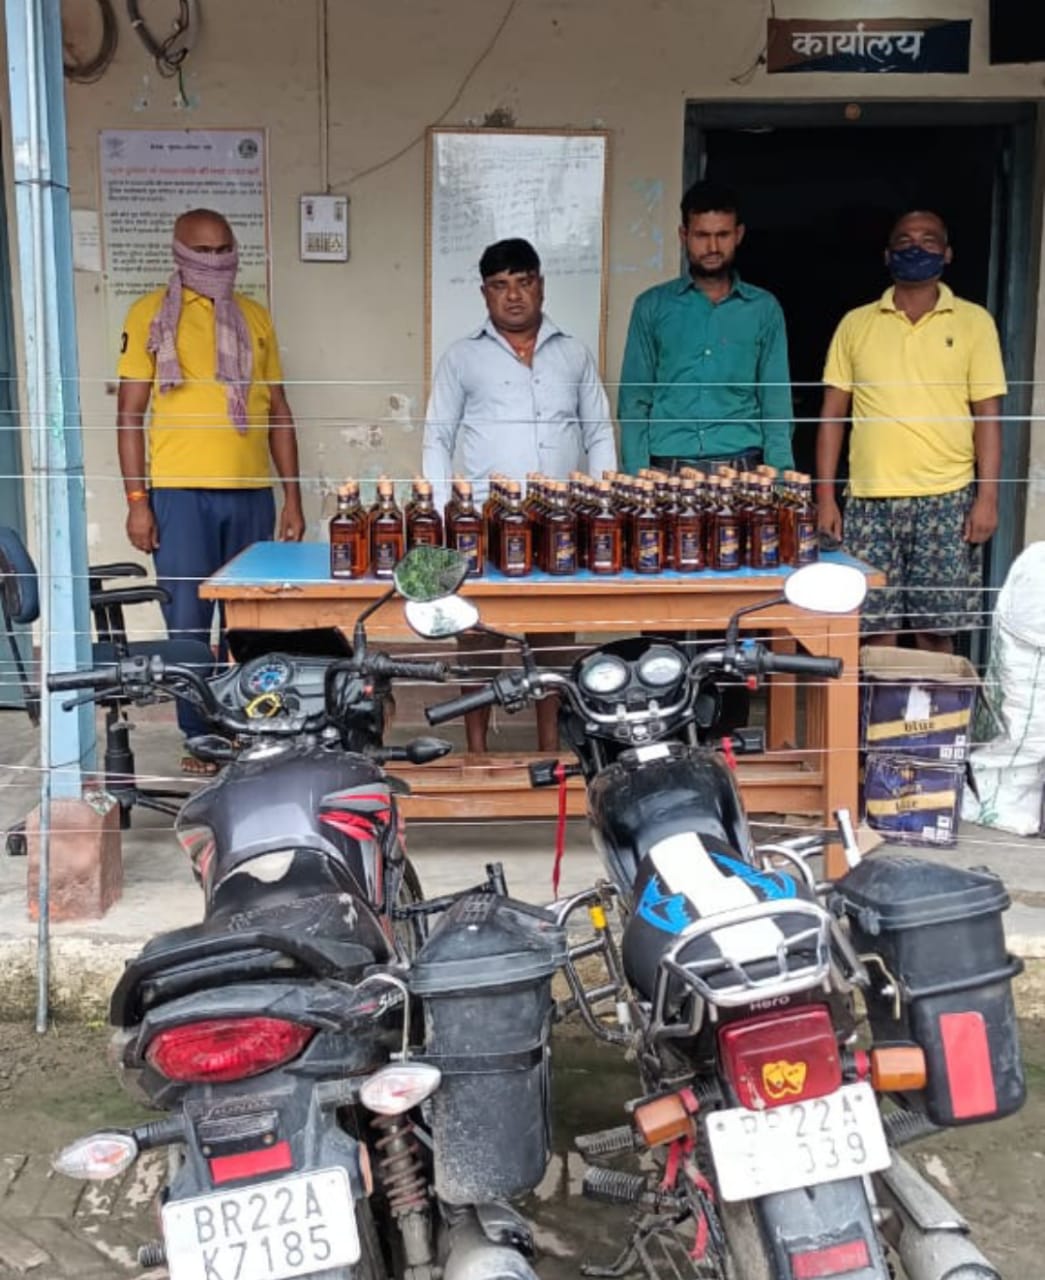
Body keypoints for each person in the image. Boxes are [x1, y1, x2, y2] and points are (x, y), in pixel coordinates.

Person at [116, 208, 304, 772]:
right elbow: (129, 413)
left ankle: (248, 728)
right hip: (179, 496)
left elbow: (278, 410)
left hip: (250, 494)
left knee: (249, 621)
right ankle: (200, 736)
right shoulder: (150, 314)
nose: (215, 261)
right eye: (203, 251)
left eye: (225, 249)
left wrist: (292, 497)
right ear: (178, 252)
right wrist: (137, 502)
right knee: (189, 625)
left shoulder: (255, 316)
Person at [422, 237, 617, 753]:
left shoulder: (573, 354)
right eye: (500, 285)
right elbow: (437, 439)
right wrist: (444, 515)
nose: (513, 296)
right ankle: (477, 753)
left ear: (541, 286)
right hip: (482, 526)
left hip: (559, 522)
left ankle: (549, 748)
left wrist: (603, 507)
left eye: (523, 282)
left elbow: (599, 433)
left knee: (553, 638)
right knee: (477, 635)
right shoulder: (462, 357)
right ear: (484, 293)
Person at [816, 209, 1006, 654]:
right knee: (871, 630)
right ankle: (874, 706)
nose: (915, 248)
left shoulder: (974, 322)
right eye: (904, 240)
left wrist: (987, 498)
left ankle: (935, 706)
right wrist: (825, 497)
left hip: (948, 500)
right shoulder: (856, 324)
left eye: (928, 240)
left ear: (948, 253)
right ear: (887, 255)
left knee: (935, 633)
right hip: (869, 500)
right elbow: (831, 416)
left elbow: (988, 417)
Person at [618, 181, 794, 475]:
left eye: (722, 235)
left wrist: (779, 481)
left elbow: (776, 405)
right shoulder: (651, 307)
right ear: (683, 235)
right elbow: (634, 402)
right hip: (666, 476)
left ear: (739, 234)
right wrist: (637, 479)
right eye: (702, 235)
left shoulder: (764, 309)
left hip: (744, 476)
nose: (712, 247)